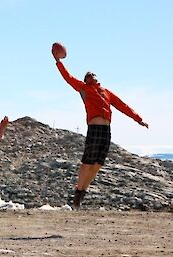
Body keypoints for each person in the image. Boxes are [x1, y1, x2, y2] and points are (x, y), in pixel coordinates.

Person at [52, 47, 149, 208]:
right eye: (87, 76)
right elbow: (68, 78)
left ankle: (83, 192)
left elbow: (122, 105)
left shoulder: (106, 92)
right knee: (87, 163)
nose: (90, 76)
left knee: (97, 165)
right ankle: (78, 191)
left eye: (92, 74)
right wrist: (58, 62)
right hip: (94, 129)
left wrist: (138, 119)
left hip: (106, 131)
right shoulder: (83, 88)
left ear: (97, 78)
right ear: (85, 80)